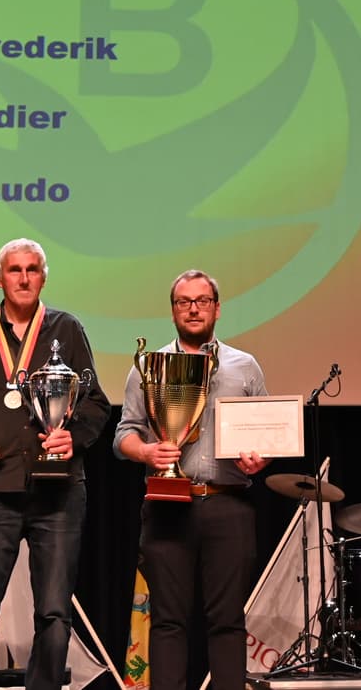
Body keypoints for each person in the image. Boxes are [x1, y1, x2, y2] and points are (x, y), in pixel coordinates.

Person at [0, 238, 111, 690]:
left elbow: (95, 403)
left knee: (54, 613)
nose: (23, 278)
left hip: (59, 491)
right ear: (0, 279)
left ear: (43, 277)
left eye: (32, 269)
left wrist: (75, 436)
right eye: (14, 270)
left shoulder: (67, 329)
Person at [114, 270, 269, 690]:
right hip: (167, 504)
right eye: (184, 302)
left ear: (217, 308)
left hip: (228, 503)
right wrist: (146, 452)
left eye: (202, 301)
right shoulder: (149, 368)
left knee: (228, 621)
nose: (194, 309)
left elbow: (265, 432)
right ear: (173, 311)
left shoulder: (244, 366)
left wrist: (261, 458)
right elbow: (124, 434)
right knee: (168, 621)